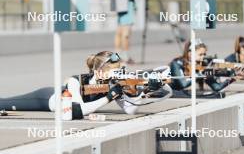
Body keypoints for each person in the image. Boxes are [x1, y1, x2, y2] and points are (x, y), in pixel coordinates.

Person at [0, 51, 165, 119]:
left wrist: (143, 92)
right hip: (46, 99)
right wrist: (109, 97)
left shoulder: (114, 85)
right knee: (5, 103)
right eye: (115, 71)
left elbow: (131, 110)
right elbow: (76, 111)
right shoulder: (76, 82)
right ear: (99, 72)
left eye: (120, 70)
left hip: (58, 103)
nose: (119, 74)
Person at [169, 40, 236, 93]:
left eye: (204, 54)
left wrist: (233, 77)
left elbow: (217, 87)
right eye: (200, 54)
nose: (203, 57)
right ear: (190, 53)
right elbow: (183, 84)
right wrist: (201, 74)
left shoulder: (202, 66)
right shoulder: (176, 64)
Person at [110, 0, 144, 64]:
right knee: (126, 33)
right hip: (126, 5)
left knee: (119, 32)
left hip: (120, 5)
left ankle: (116, 56)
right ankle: (125, 57)